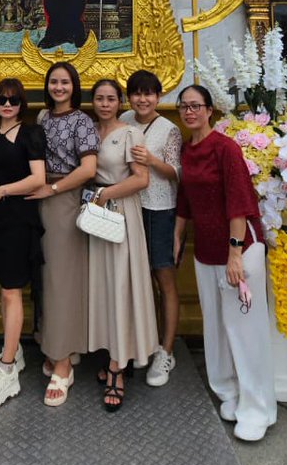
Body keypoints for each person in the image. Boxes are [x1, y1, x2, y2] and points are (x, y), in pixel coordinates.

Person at [174, 84, 277, 441]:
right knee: (217, 328)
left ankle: (258, 407)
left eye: (196, 106)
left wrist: (236, 253)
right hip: (205, 251)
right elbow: (184, 200)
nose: (190, 112)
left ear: (210, 110)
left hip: (239, 248)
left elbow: (240, 203)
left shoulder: (225, 148)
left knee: (245, 331)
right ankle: (228, 391)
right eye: (184, 107)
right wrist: (177, 236)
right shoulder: (187, 150)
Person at [0, 78, 47, 410]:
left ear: (22, 105)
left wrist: (2, 191)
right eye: (2, 100)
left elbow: (37, 179)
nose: (7, 105)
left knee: (11, 290)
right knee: (5, 286)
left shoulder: (30, 134)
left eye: (14, 100)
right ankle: (12, 350)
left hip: (18, 217)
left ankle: (6, 371)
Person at [28, 62, 99, 405]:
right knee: (45, 278)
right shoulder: (43, 118)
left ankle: (62, 365)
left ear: (75, 86)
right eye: (54, 82)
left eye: (65, 82)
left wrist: (53, 190)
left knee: (61, 280)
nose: (59, 87)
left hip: (64, 198)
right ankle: (58, 346)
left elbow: (88, 169)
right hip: (40, 196)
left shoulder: (82, 121)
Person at [88, 79, 159, 411]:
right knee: (101, 285)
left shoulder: (131, 133)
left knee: (120, 285)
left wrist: (105, 194)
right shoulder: (89, 130)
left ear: (120, 102)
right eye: (99, 98)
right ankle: (109, 351)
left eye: (111, 99)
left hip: (120, 209)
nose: (105, 104)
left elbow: (141, 178)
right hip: (93, 211)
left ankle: (119, 366)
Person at [122, 69, 182, 386]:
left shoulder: (170, 129)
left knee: (164, 280)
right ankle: (139, 344)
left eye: (149, 93)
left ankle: (165, 350)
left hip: (159, 211)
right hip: (128, 207)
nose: (142, 99)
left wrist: (150, 160)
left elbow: (176, 172)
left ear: (158, 97)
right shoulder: (123, 120)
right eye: (136, 93)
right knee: (134, 279)